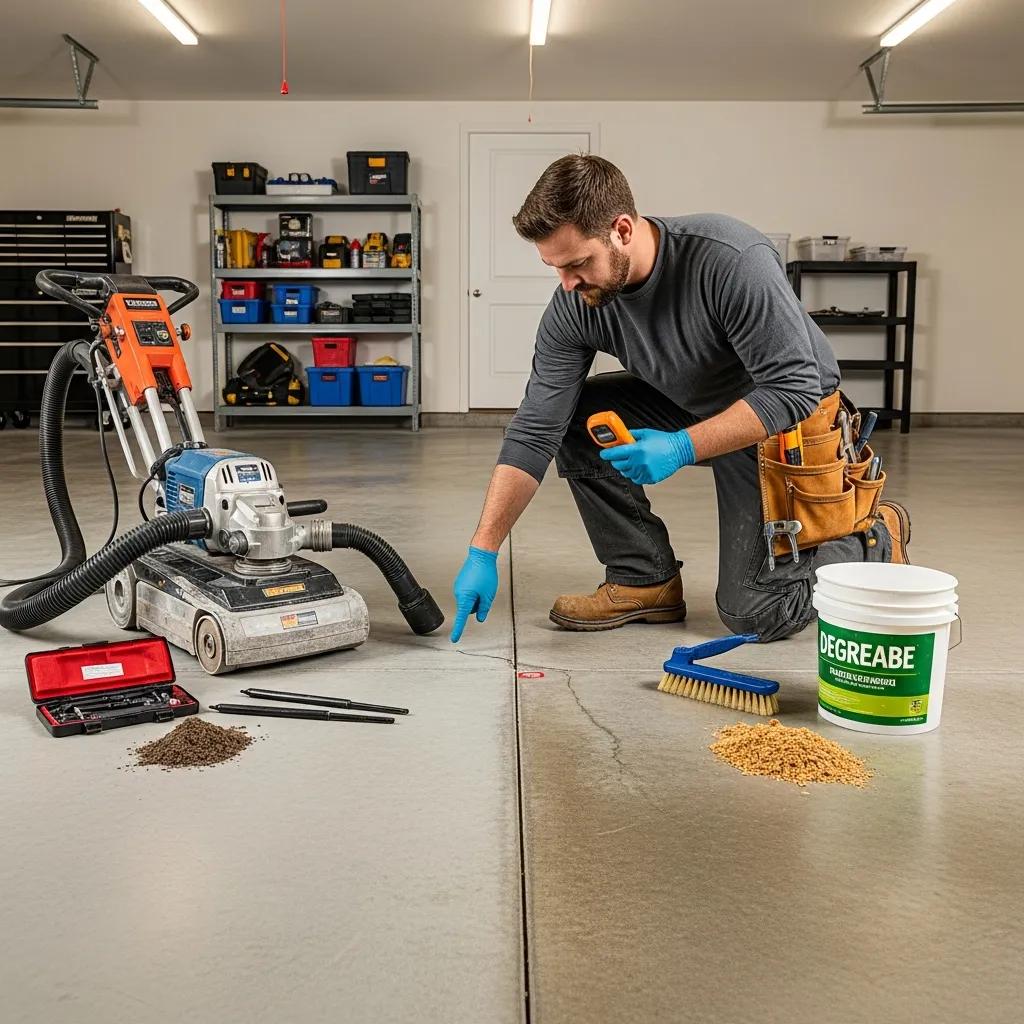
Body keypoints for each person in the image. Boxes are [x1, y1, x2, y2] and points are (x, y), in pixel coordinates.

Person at [450, 155, 910, 644]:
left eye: (579, 263)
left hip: (785, 419)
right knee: (574, 417)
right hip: (695, 404)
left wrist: (681, 447)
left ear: (622, 230)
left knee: (756, 612)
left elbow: (794, 387)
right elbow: (535, 427)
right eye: (555, 268)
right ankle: (643, 579)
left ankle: (871, 537)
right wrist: (484, 549)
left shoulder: (729, 258)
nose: (567, 284)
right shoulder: (576, 303)